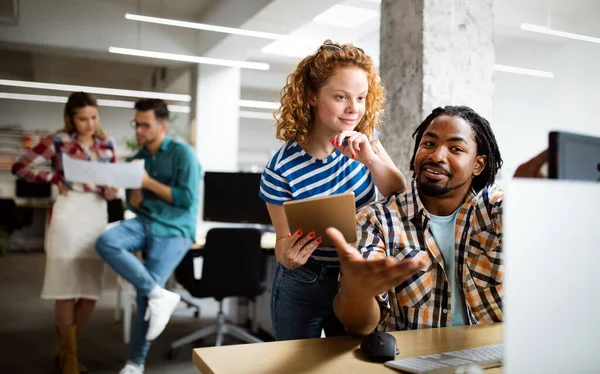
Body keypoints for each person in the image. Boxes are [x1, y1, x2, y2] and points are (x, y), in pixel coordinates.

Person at [259, 39, 407, 341]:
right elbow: (282, 244)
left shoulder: (367, 140)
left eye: (361, 98)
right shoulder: (281, 168)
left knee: (352, 363)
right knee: (295, 364)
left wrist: (369, 158)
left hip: (356, 276)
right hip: (303, 279)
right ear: (312, 96)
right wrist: (288, 257)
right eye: (341, 97)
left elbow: (397, 191)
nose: (354, 109)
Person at [330, 105, 506, 335]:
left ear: (478, 165)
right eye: (429, 144)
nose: (436, 156)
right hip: (412, 363)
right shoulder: (374, 221)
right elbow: (359, 325)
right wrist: (357, 292)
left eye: (455, 148)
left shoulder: (497, 212)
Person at [11, 92, 117, 373]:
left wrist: (111, 190)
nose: (89, 124)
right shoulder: (57, 141)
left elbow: (112, 184)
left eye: (94, 117)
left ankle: (64, 350)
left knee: (91, 291)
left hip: (96, 215)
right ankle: (69, 359)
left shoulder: (108, 145)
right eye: (83, 119)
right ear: (71, 118)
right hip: (69, 215)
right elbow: (20, 167)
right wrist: (54, 177)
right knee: (66, 288)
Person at [95, 98, 201, 374]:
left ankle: (135, 363)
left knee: (143, 294)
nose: (138, 130)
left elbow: (187, 200)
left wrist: (147, 183)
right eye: (136, 124)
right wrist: (129, 195)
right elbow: (132, 204)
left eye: (145, 125)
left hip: (175, 228)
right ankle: (158, 293)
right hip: (145, 221)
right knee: (106, 241)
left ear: (162, 126)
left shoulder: (182, 154)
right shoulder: (138, 159)